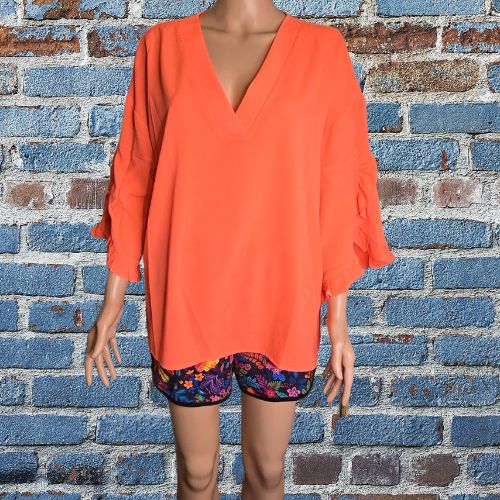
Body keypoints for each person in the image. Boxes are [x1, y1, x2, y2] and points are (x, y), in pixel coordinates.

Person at [85, 1, 396, 498]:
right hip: (187, 296)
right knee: (196, 472)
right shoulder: (161, 49)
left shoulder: (323, 52)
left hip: (282, 299)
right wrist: (113, 298)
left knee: (267, 470)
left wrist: (337, 318)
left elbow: (340, 183)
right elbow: (136, 172)